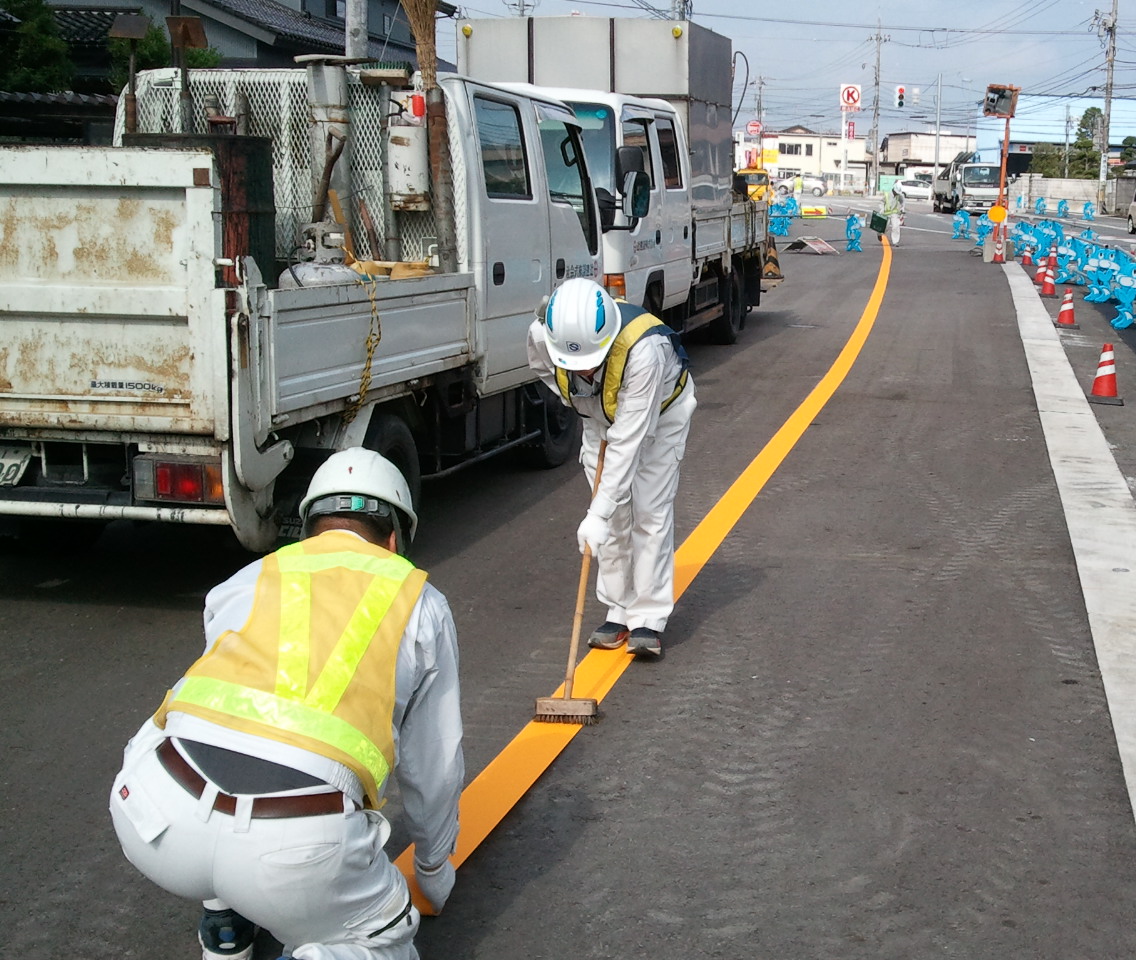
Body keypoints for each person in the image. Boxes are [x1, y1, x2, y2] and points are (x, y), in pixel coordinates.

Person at [109, 448, 464, 960]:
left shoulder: (249, 578)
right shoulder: (420, 603)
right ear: (394, 538)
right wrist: (431, 869)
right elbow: (435, 765)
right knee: (385, 937)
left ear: (310, 527)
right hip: (294, 849)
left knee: (211, 731)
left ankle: (225, 925)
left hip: (153, 813)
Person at [527, 277, 696, 659]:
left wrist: (596, 514)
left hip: (660, 416)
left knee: (649, 511)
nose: (584, 373)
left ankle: (648, 618)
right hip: (599, 417)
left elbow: (629, 442)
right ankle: (618, 609)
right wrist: (589, 408)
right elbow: (545, 373)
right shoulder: (541, 336)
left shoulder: (644, 351)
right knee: (614, 520)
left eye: (591, 364)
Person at [881, 181, 906, 247]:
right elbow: (881, 202)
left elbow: (902, 203)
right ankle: (879, 234)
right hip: (886, 213)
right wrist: (882, 209)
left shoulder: (900, 195)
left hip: (894, 213)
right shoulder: (887, 194)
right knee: (884, 228)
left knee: (896, 226)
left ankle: (895, 241)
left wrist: (902, 209)